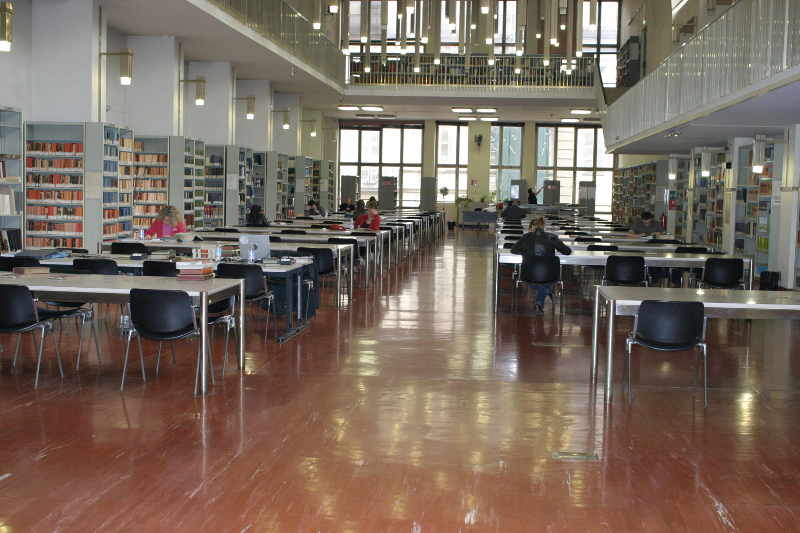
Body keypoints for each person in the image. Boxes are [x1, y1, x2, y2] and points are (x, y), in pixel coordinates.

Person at [511, 216, 572, 314]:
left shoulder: (527, 237)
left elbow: (514, 249)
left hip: (529, 274)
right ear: (543, 227)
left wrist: (525, 252)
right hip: (549, 275)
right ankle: (540, 301)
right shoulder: (551, 237)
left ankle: (547, 293)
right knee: (544, 282)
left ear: (532, 226)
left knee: (531, 279)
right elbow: (567, 251)